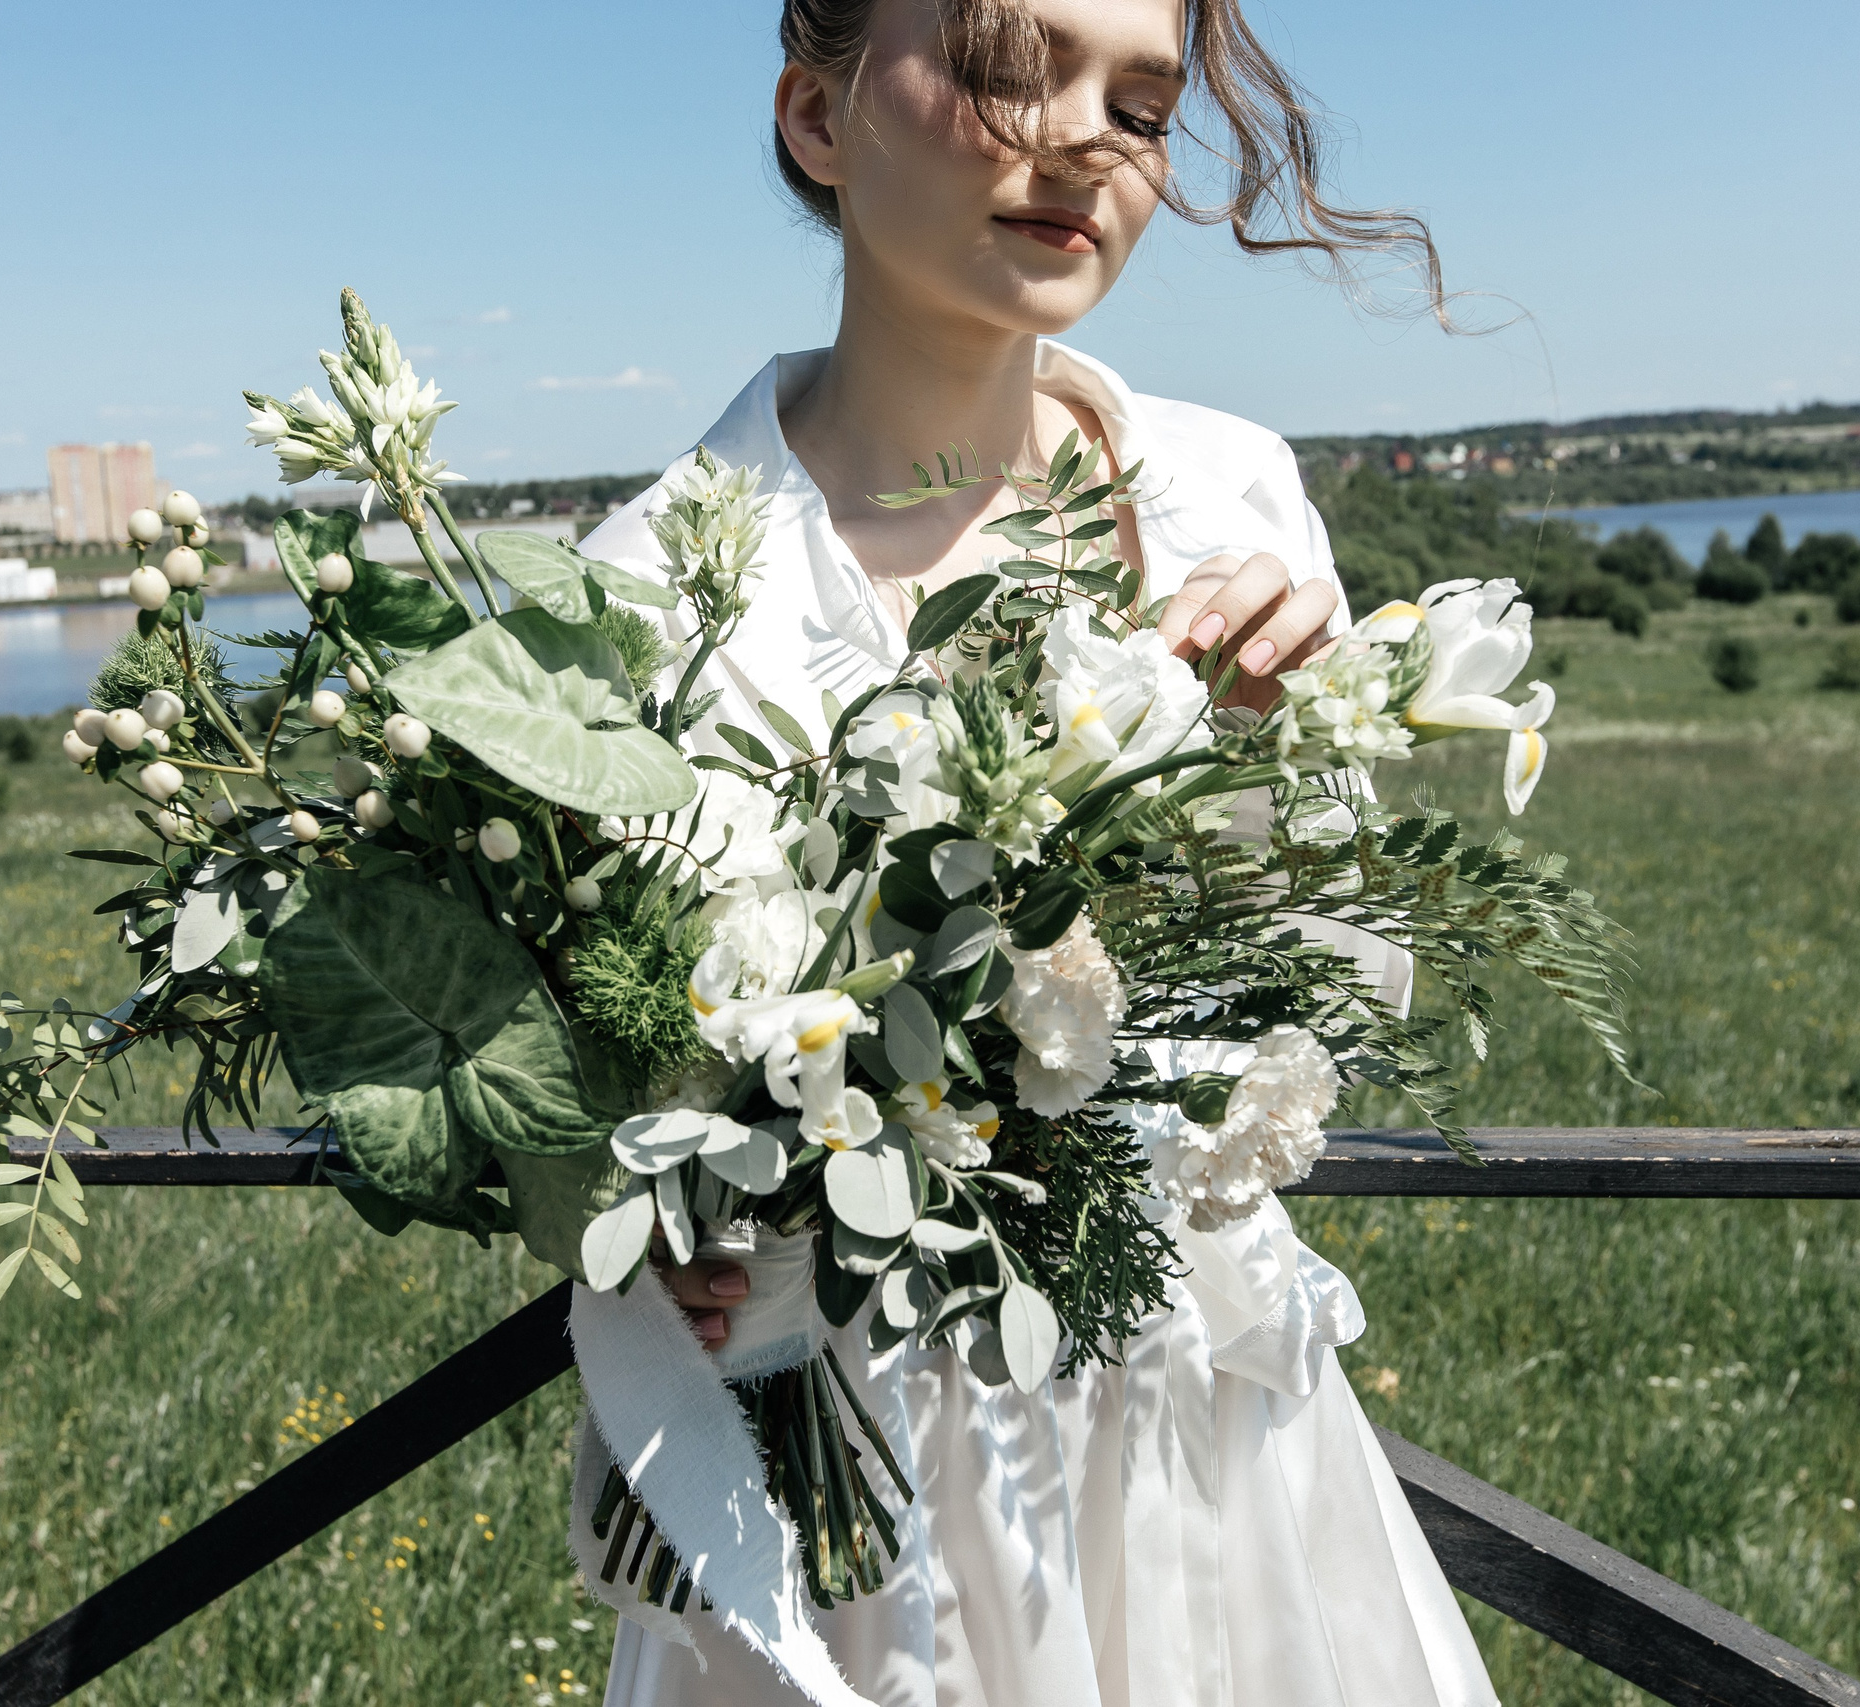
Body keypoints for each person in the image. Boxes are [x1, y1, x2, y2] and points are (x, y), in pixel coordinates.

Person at [574, 1, 1495, 1702]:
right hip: (855, 1479)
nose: (1086, 141)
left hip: (1200, 1434)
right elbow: (584, 1059)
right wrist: (647, 1218)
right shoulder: (653, 588)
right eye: (1014, 72)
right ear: (819, 115)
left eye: (1140, 106)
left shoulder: (1229, 500)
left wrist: (1297, 748)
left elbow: (1331, 994)